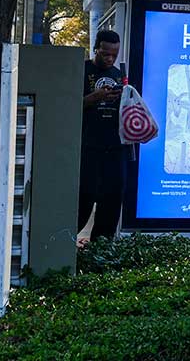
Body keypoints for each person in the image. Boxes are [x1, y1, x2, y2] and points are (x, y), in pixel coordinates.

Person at [78, 29, 126, 242]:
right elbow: (68, 105)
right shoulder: (81, 69)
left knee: (111, 202)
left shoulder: (119, 74)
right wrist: (94, 97)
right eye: (105, 53)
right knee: (83, 199)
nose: (110, 58)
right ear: (95, 48)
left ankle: (101, 248)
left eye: (114, 55)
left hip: (114, 148)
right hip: (87, 147)